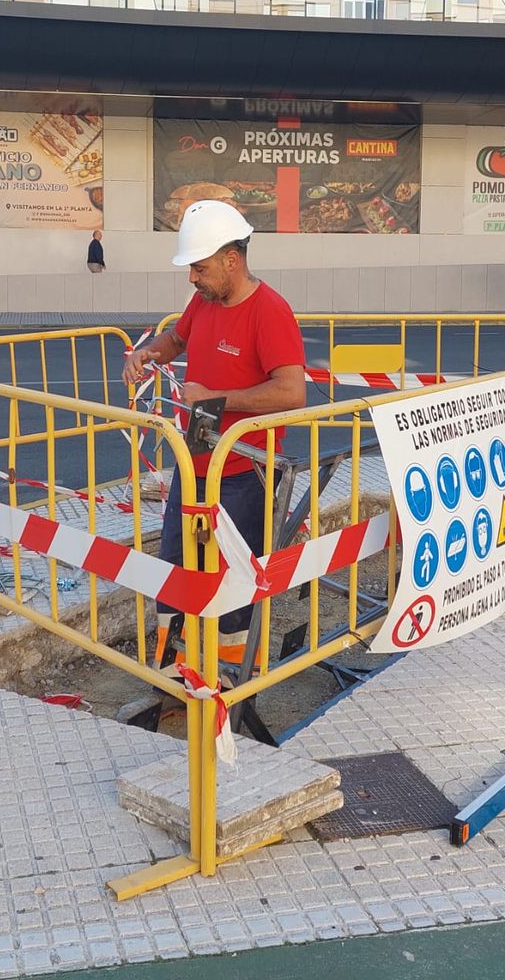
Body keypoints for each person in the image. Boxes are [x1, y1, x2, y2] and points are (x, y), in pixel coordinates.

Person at [121, 200, 306, 678]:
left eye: (199, 268)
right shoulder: (204, 302)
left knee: (233, 587)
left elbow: (291, 392)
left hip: (246, 476)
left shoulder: (270, 311)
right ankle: (174, 668)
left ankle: (229, 684)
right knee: (176, 572)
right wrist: (148, 351)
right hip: (195, 466)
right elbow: (177, 340)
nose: (192, 279)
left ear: (231, 259)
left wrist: (217, 397)